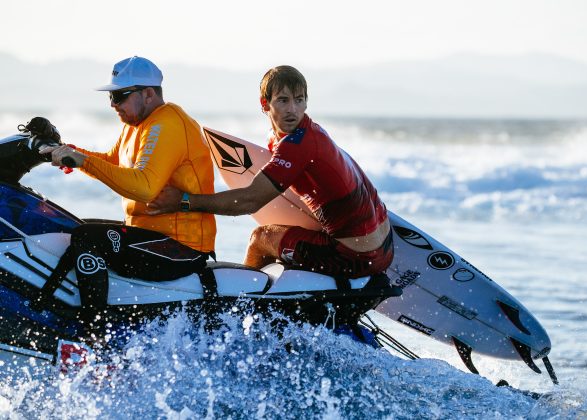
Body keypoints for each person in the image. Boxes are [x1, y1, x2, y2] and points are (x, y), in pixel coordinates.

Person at [148, 65, 393, 279]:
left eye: (299, 100)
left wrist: (184, 201)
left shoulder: (297, 145)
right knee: (281, 241)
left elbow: (249, 201)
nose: (292, 110)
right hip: (386, 245)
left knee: (261, 239)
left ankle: (241, 311)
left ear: (306, 102)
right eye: (283, 100)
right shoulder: (315, 134)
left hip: (355, 257)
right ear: (265, 104)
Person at [37, 56, 216, 329]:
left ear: (148, 94)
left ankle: (94, 330)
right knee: (70, 228)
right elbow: (111, 161)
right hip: (152, 237)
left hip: (181, 248)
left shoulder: (166, 124)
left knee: (87, 238)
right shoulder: (136, 126)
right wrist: (68, 151)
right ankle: (44, 304)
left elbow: (144, 187)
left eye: (119, 96)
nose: (112, 105)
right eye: (110, 96)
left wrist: (82, 161)